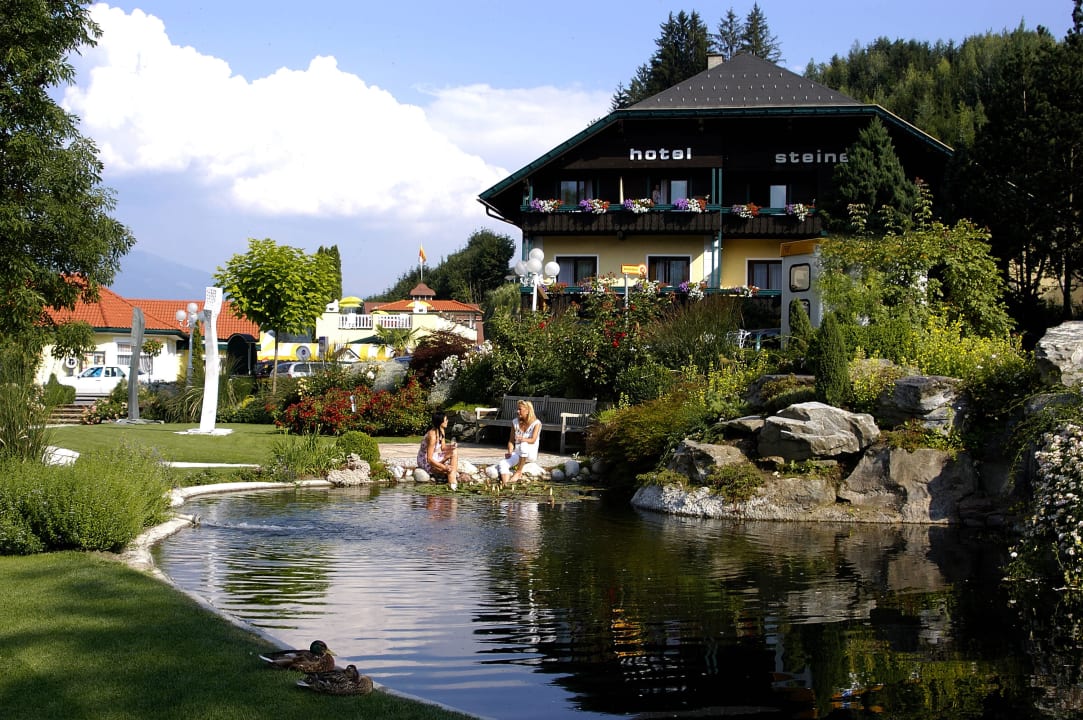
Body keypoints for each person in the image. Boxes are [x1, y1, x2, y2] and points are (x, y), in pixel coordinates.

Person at [496, 400, 542, 486]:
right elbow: (511, 440)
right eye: (517, 409)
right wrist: (510, 452)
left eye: (520, 409)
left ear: (527, 411)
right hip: (518, 453)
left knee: (523, 445)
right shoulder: (515, 422)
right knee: (503, 463)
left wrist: (523, 439)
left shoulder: (536, 423)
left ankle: (518, 472)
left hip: (530, 454)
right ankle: (506, 485)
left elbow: (533, 440)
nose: (517, 411)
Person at [417, 411, 459, 489]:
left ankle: (452, 481)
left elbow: (443, 448)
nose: (447, 421)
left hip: (434, 456)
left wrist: (451, 446)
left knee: (454, 451)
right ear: (440, 422)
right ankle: (453, 484)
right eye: (446, 420)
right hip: (425, 460)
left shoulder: (441, 431)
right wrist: (444, 467)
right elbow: (429, 459)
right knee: (449, 470)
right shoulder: (432, 436)